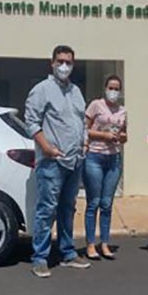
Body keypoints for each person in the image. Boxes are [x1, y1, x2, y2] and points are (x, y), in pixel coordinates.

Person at [24, 45, 92, 278]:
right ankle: (40, 257)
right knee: (47, 209)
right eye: (60, 61)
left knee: (67, 209)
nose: (64, 66)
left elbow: (82, 121)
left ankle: (67, 253)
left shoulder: (76, 91)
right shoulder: (42, 90)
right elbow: (32, 122)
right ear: (51, 63)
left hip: (75, 161)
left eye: (69, 62)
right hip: (52, 162)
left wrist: (84, 144)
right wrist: (46, 148)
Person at [83, 75, 128, 260]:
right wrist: (103, 135)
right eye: (111, 87)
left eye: (117, 89)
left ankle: (105, 243)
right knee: (94, 202)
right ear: (105, 88)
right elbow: (84, 129)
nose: (113, 92)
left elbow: (125, 134)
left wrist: (121, 137)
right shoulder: (96, 105)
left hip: (114, 159)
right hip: (94, 156)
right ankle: (90, 244)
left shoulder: (123, 111)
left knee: (107, 204)